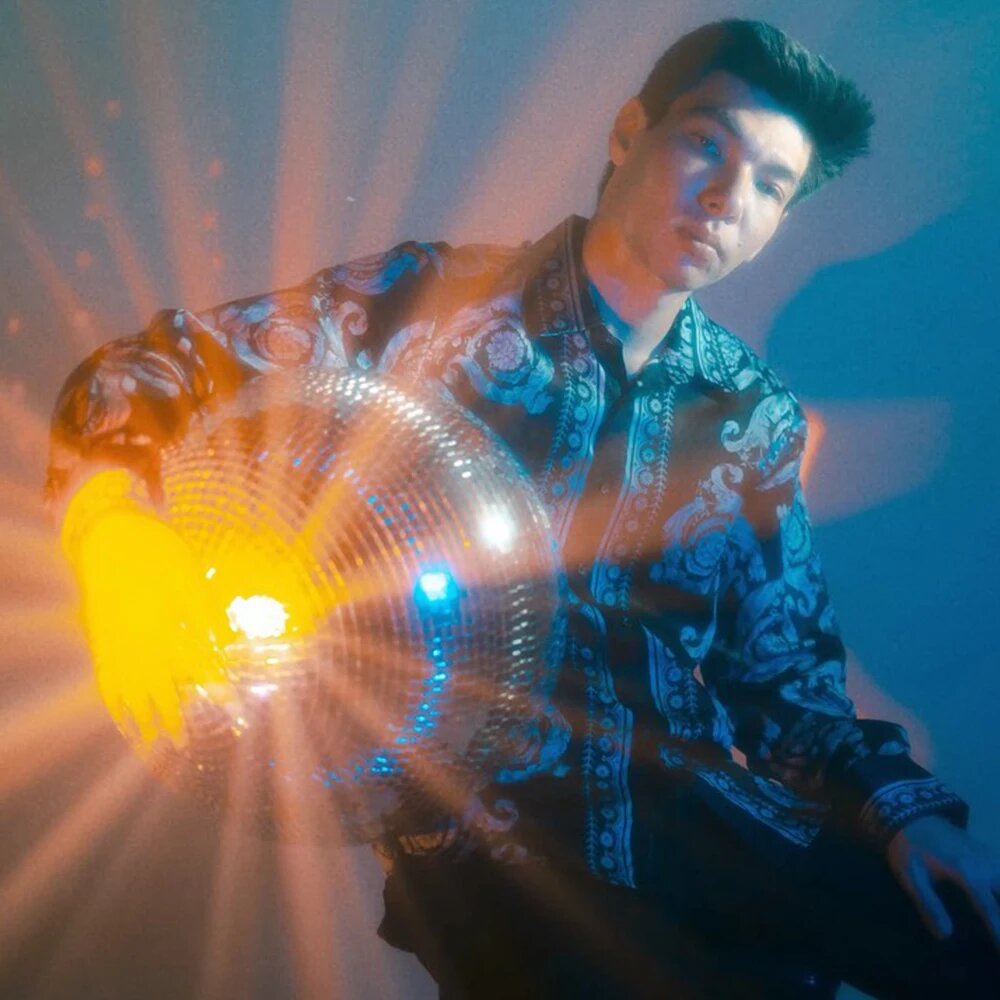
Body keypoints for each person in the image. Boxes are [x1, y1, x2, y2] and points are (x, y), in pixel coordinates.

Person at [46, 19, 1000, 999]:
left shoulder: (752, 413)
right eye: (705, 144)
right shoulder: (431, 298)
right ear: (629, 133)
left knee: (970, 940)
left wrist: (907, 813)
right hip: (482, 836)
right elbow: (153, 369)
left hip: (708, 816)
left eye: (770, 186)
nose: (726, 197)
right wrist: (114, 539)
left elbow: (787, 683)